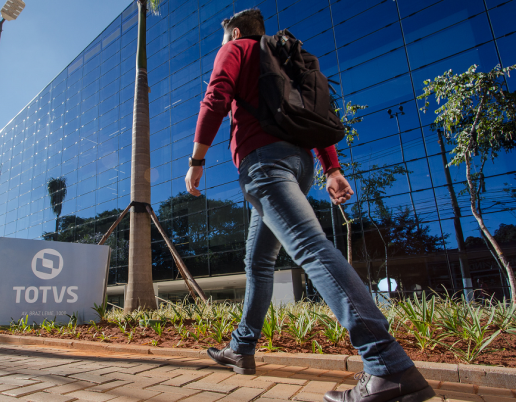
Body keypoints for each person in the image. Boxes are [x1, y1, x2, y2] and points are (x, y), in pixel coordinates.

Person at [184, 9, 436, 402]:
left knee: (310, 249)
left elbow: (216, 94)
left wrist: (197, 160)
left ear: (234, 32)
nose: (224, 45)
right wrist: (331, 168)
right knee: (258, 262)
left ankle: (389, 367)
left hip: (265, 165)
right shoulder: (281, 60)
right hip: (298, 164)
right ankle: (242, 347)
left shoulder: (236, 48)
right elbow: (311, 113)